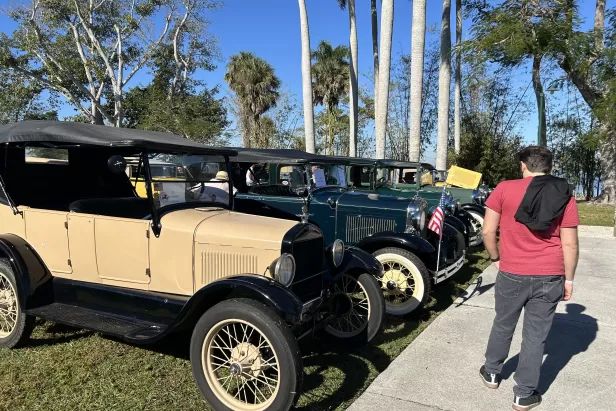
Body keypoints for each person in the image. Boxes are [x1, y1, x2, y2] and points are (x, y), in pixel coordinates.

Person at [479, 146, 579, 411]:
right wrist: (569, 279)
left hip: (512, 272)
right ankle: (524, 395)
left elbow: (488, 231)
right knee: (536, 337)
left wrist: (495, 259)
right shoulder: (563, 193)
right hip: (550, 274)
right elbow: (570, 244)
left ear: (523, 165)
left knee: (503, 323)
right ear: (549, 166)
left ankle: (491, 373)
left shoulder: (503, 188)